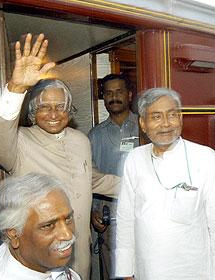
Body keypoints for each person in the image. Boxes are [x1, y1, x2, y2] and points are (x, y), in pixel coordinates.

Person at [0, 33, 120, 279]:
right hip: (38, 255)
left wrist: (145, 182)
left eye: (61, 106)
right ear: (33, 112)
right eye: (44, 106)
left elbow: (93, 180)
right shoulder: (19, 141)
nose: (54, 113)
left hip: (77, 250)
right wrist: (16, 89)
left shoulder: (79, 140)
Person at [115, 87, 215, 279]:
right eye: (156, 117)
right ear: (143, 123)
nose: (166, 124)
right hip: (147, 270)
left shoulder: (204, 158)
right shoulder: (135, 159)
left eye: (172, 115)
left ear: (180, 119)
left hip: (195, 272)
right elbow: (125, 219)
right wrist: (126, 270)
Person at [0, 173, 81, 279]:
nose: (68, 235)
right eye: (48, 226)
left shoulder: (38, 260)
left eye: (68, 218)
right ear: (14, 235)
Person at [88, 74, 139, 280]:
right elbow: (87, 179)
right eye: (108, 93)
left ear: (129, 95)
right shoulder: (94, 135)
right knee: (114, 274)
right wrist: (92, 212)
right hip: (110, 223)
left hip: (142, 218)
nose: (114, 97)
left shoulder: (144, 128)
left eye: (119, 92)